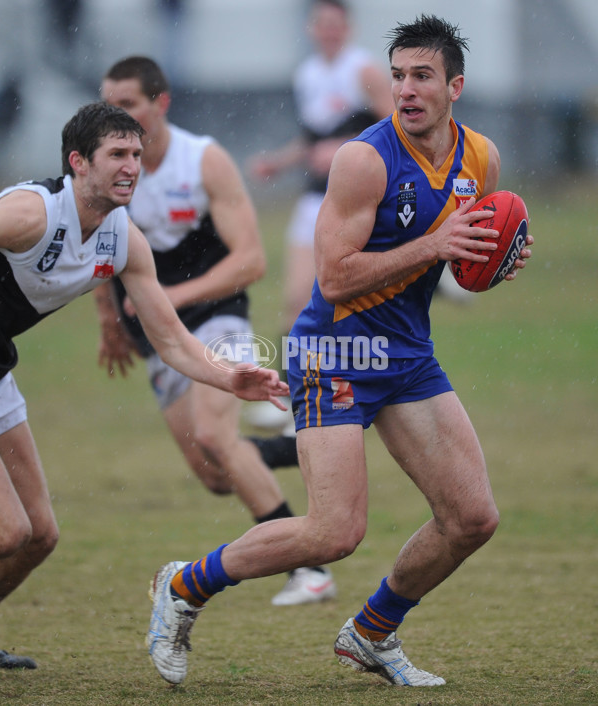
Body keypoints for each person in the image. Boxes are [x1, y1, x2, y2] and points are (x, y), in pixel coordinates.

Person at [145, 14, 533, 688]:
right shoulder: (364, 158)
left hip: (408, 353)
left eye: (422, 76)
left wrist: (496, 259)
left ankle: (371, 632)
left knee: (472, 517)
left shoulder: (482, 159)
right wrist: (437, 246)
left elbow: (465, 252)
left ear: (455, 87)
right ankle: (184, 585)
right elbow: (333, 275)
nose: (406, 89)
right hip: (334, 353)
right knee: (333, 532)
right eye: (398, 76)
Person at [0, 101, 288, 669]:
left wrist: (233, 379)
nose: (132, 166)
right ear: (78, 163)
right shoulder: (31, 214)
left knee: (39, 537)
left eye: (137, 154)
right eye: (117, 155)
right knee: (9, 531)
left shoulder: (123, 239)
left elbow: (174, 341)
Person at [96, 56, 336, 607]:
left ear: (160, 103)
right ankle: (294, 444)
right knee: (215, 470)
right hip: (157, 338)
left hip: (217, 317)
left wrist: (169, 299)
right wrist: (109, 322)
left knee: (214, 435)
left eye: (127, 103)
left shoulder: (202, 160)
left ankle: (310, 570)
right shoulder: (107, 168)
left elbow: (251, 261)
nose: (116, 114)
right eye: (109, 102)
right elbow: (97, 249)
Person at [247, 0, 394, 429]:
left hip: (353, 203)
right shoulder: (308, 74)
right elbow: (313, 141)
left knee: (339, 307)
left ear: (348, 27)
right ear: (312, 28)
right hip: (314, 200)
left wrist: (346, 146)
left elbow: (397, 129)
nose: (329, 31)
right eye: (322, 24)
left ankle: (343, 396)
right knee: (294, 302)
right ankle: (294, 400)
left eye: (336, 24)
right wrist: (280, 161)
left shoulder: (364, 71)